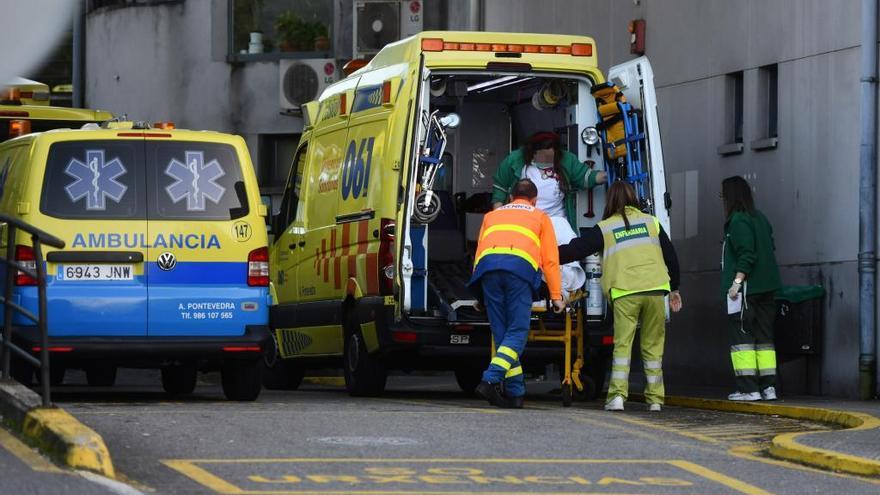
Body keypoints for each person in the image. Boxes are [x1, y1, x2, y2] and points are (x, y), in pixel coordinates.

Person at [558, 181, 681, 412]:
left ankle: (617, 397)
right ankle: (655, 400)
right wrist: (674, 288)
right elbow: (671, 257)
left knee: (623, 346)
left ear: (610, 201)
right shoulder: (651, 222)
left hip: (626, 292)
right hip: (655, 290)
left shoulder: (605, 227)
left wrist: (545, 256)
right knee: (653, 347)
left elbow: (576, 250)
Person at [469, 179, 565, 408]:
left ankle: (515, 393)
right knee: (518, 333)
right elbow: (551, 260)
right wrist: (555, 296)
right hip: (519, 273)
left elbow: (479, 252)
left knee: (502, 337)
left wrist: (479, 295)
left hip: (488, 271)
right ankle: (489, 379)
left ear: (511, 197)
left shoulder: (492, 216)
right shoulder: (540, 216)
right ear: (534, 200)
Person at [720, 176, 782, 401]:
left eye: (722, 196)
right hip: (768, 288)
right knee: (765, 339)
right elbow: (769, 247)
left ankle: (749, 389)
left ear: (730, 197)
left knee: (742, 339)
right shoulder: (760, 218)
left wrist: (736, 283)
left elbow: (747, 254)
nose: (721, 201)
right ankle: (768, 387)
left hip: (746, 291)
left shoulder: (738, 221)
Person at [492, 131, 607, 230]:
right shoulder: (515, 160)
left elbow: (586, 177)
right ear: (532, 152)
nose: (547, 159)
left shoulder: (567, 160)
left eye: (550, 156)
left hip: (556, 221)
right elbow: (500, 188)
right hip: (524, 221)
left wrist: (607, 176)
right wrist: (498, 220)